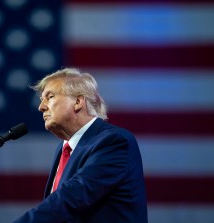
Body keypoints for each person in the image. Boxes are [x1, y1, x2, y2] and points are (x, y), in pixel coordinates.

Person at [14, 68, 147, 223]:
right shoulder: (64, 149)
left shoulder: (114, 141)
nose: (41, 107)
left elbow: (73, 196)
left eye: (50, 97)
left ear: (78, 102)